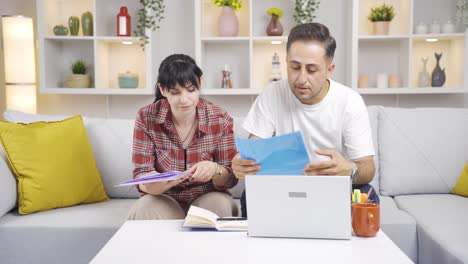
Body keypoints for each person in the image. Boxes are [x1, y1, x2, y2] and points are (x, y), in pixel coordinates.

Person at [232, 23, 378, 218]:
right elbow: (253, 149)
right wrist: (243, 162)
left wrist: (350, 169)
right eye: (294, 67)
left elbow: (367, 168)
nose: (301, 78)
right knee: (249, 193)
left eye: (311, 69)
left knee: (368, 195)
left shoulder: (349, 101)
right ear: (286, 62)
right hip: (284, 187)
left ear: (329, 69)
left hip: (331, 186)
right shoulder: (272, 94)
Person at [127, 54, 238, 220]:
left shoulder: (220, 118)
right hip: (164, 198)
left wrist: (215, 169)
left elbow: (230, 179)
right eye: (175, 92)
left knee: (219, 204)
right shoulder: (146, 117)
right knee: (145, 207)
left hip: (208, 197)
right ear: (163, 90)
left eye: (191, 90)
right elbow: (142, 174)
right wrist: (153, 186)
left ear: (199, 83)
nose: (184, 99)